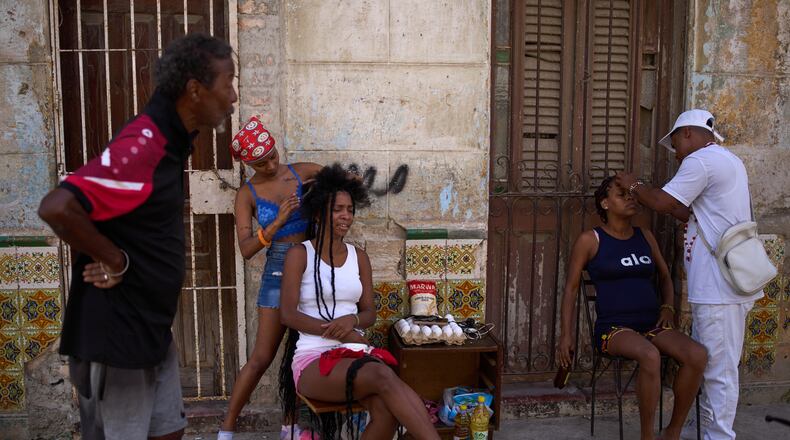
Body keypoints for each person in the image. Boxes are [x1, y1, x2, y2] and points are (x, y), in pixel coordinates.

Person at [37, 33, 237, 440]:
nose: (233, 95)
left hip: (149, 329)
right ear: (195, 90)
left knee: (169, 431)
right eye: (228, 82)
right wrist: (113, 259)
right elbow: (57, 206)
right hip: (118, 334)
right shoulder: (144, 144)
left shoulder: (170, 142)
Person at [615, 109, 762, 440]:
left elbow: (661, 201)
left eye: (676, 145)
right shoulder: (728, 160)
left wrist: (633, 184)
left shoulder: (701, 162)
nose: (677, 154)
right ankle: (710, 430)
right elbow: (684, 209)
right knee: (717, 368)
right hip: (724, 285)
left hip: (719, 288)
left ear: (687, 134)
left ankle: (718, 436)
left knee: (719, 372)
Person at [278, 164, 441, 440]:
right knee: (384, 377)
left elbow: (369, 313)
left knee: (387, 413)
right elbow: (288, 315)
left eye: (350, 209)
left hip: (355, 351)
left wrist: (352, 322)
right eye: (338, 209)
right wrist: (336, 329)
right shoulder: (299, 255)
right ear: (319, 213)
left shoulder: (359, 257)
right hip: (313, 360)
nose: (346, 216)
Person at [557, 176, 707, 440]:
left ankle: (672, 432)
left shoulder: (645, 236)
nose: (630, 198)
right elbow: (570, 289)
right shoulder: (590, 240)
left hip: (652, 324)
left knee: (697, 355)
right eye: (621, 194)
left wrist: (668, 308)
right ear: (604, 204)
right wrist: (566, 336)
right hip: (613, 329)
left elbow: (664, 276)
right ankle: (647, 436)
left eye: (631, 194)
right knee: (649, 354)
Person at [217, 117, 321, 440]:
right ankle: (226, 429)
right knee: (262, 357)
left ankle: (290, 427)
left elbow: (340, 182)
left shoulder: (301, 171)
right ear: (249, 164)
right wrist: (277, 223)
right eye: (262, 163)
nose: (272, 164)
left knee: (298, 351)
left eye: (273, 155)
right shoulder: (246, 195)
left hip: (310, 268)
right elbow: (247, 249)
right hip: (277, 270)